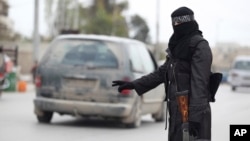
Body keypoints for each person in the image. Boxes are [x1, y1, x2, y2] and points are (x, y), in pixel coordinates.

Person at [112, 6, 213, 141]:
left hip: (193, 115)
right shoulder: (175, 47)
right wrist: (133, 84)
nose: (176, 27)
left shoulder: (200, 46)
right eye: (174, 24)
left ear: (188, 23)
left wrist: (195, 118)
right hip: (177, 113)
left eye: (179, 24)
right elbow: (161, 73)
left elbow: (199, 85)